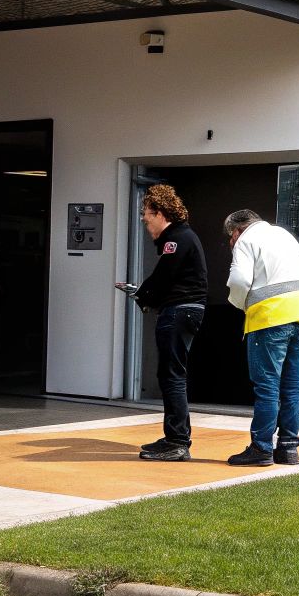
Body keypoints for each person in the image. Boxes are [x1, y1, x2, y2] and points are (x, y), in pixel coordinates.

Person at [222, 209, 299, 467]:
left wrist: (240, 304)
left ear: (237, 230)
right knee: (291, 388)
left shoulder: (246, 240)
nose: (231, 242)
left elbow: (239, 280)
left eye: (230, 237)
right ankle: (288, 448)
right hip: (298, 317)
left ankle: (261, 448)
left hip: (268, 319)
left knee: (267, 387)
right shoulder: (283, 235)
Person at [124, 185, 207, 462]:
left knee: (172, 376)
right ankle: (174, 437)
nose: (143, 219)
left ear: (160, 213)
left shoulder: (178, 239)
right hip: (184, 312)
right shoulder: (182, 237)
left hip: (179, 312)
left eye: (146, 213)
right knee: (171, 374)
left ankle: (177, 441)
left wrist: (142, 294)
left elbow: (163, 277)